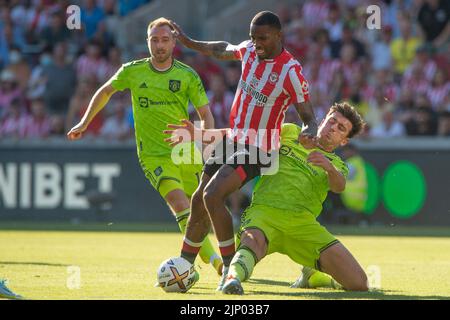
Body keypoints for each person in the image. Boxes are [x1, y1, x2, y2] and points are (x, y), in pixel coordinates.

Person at [170, 11, 319, 289]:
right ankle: (184, 266)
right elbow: (222, 49)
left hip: (260, 147)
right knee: (199, 199)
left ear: (278, 35)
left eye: (262, 38)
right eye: (253, 37)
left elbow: (309, 116)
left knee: (213, 195)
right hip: (234, 138)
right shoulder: (249, 50)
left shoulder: (291, 71)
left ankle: (229, 269)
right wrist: (189, 43)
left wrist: (310, 131)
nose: (256, 43)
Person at [67, 17, 223, 275]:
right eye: (154, 40)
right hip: (153, 155)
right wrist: (85, 122)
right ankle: (218, 263)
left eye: (164, 40)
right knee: (180, 205)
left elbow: (206, 114)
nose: (159, 45)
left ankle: (219, 256)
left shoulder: (186, 75)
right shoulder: (132, 70)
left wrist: (205, 142)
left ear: (174, 42)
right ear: (147, 42)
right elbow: (105, 91)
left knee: (204, 210)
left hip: (185, 151)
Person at [165, 102, 367, 294]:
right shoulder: (290, 131)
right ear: (323, 120)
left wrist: (328, 167)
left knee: (360, 283)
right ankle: (231, 278)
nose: (333, 128)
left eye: (341, 128)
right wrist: (200, 134)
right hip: (264, 213)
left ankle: (314, 277)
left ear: (344, 141)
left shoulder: (337, 164)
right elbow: (243, 136)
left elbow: (338, 186)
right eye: (332, 121)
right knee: (251, 246)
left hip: (303, 225)